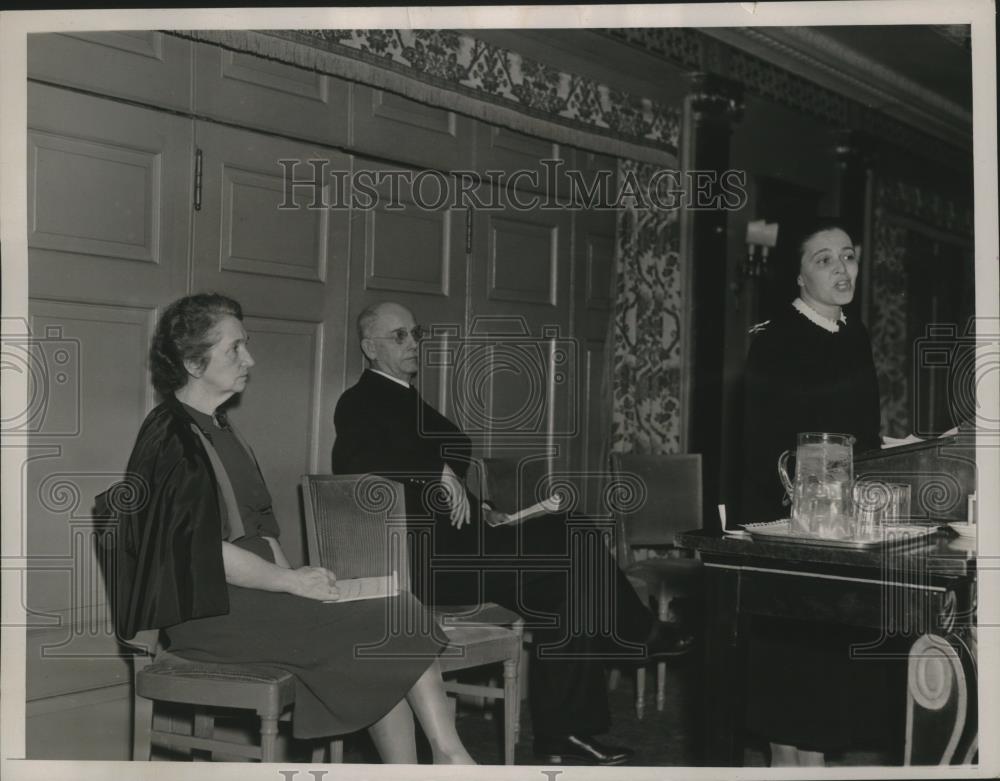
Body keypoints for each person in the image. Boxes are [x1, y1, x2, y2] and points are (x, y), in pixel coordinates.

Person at [111, 293, 474, 764]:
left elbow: (262, 533)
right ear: (193, 363)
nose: (250, 359)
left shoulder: (222, 428)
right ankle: (451, 757)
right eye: (235, 349)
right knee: (388, 623)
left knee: (389, 605)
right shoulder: (170, 437)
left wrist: (299, 584)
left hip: (253, 595)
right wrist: (290, 582)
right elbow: (202, 551)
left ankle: (418, 766)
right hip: (209, 614)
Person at [331, 300, 692, 766]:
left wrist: (481, 506)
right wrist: (434, 470)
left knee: (569, 588)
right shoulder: (360, 400)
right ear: (369, 348)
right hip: (424, 563)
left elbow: (426, 465)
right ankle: (636, 632)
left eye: (415, 333)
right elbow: (359, 465)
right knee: (573, 532)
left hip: (461, 546)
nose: (413, 343)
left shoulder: (402, 398)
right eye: (399, 336)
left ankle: (563, 741)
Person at [740, 222, 898, 766]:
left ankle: (809, 762)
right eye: (824, 259)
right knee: (792, 655)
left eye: (848, 257)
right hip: (787, 517)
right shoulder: (776, 337)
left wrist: (880, 469)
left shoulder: (854, 333)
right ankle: (787, 763)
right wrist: (809, 505)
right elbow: (762, 442)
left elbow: (866, 432)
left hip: (841, 517)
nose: (841, 270)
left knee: (825, 658)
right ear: (799, 275)